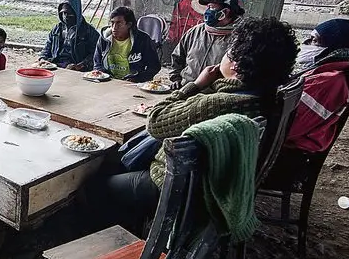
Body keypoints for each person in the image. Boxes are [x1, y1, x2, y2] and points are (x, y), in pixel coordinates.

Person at [98, 16, 298, 224]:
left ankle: (122, 234)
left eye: (228, 52)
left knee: (98, 184)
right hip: (213, 185)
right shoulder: (263, 97)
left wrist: (196, 84)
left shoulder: (219, 104)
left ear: (236, 65)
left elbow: (156, 121)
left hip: (176, 188)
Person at [284, 17, 349, 152]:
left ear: (332, 48)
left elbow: (288, 128)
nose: (306, 43)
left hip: (292, 150)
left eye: (314, 40)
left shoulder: (327, 81)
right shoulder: (322, 73)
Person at [169, 0, 244, 89]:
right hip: (186, 89)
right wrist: (176, 79)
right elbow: (178, 57)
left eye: (211, 8)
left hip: (212, 96)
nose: (207, 11)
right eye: (207, 7)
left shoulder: (239, 38)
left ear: (225, 12)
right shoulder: (195, 31)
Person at [92, 6, 161, 82]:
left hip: (132, 84)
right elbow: (97, 62)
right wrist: (102, 75)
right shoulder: (104, 38)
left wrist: (138, 79)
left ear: (129, 25)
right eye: (112, 23)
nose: (114, 27)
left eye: (119, 23)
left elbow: (154, 66)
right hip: (108, 81)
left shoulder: (142, 40)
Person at [39, 0, 100, 71]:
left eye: (69, 13)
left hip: (75, 66)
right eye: (63, 13)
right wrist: (42, 58)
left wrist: (82, 64)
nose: (66, 16)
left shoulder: (89, 31)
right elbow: (47, 46)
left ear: (76, 12)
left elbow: (96, 53)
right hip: (55, 63)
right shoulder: (57, 29)